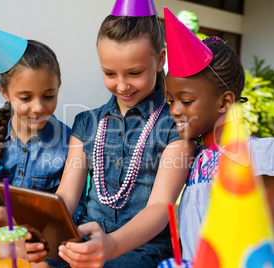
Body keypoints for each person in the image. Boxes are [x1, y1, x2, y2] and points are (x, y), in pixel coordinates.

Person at [27, 1, 195, 267]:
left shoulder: (177, 124)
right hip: (84, 239)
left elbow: (160, 207)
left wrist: (113, 245)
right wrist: (39, 229)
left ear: (161, 59)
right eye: (109, 73)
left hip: (143, 249)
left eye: (135, 73)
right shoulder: (87, 123)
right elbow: (67, 197)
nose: (122, 85)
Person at [163, 8, 274, 268]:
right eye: (170, 100)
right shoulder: (192, 162)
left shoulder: (257, 156)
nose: (174, 110)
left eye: (185, 101)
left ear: (225, 102)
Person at [0, 19, 77, 262]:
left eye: (48, 95)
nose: (38, 107)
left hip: (41, 245)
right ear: (4, 92)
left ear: (59, 86)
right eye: (25, 97)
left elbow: (70, 216)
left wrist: (14, 221)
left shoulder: (69, 143)